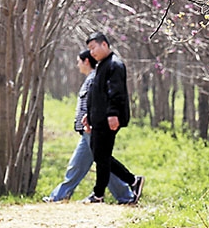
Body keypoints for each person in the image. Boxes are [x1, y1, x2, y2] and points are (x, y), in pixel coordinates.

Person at [43, 50, 136, 204]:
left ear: (86, 61)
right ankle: (59, 196)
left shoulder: (95, 77)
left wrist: (92, 122)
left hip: (92, 129)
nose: (77, 65)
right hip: (87, 130)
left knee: (101, 162)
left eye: (78, 61)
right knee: (83, 165)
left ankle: (125, 194)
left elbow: (97, 103)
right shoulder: (91, 78)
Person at [81, 32, 144, 205]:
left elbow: (116, 93)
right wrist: (89, 114)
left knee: (101, 155)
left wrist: (113, 114)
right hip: (99, 117)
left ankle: (98, 194)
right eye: (89, 49)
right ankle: (132, 181)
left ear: (105, 45)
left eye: (94, 47)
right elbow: (97, 93)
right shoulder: (102, 65)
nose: (91, 52)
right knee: (101, 155)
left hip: (109, 118)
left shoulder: (115, 65)